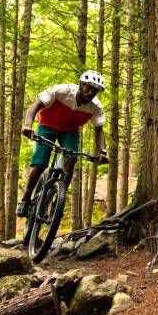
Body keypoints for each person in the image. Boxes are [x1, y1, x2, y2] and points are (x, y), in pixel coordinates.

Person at [16, 70, 108, 217]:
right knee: (40, 163)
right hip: (47, 126)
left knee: (70, 159)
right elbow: (35, 106)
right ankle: (26, 199)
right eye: (88, 88)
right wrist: (28, 125)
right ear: (80, 84)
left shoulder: (96, 107)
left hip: (70, 131)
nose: (90, 93)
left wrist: (102, 151)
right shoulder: (61, 91)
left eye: (95, 91)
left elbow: (99, 131)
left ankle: (58, 200)